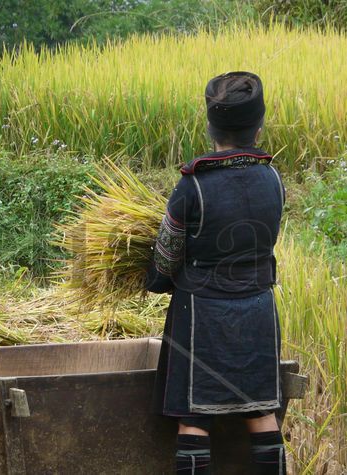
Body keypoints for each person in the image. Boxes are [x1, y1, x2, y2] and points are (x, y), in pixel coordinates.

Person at [146, 72, 287, 474]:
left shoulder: (192, 186)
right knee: (262, 411)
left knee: (194, 418)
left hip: (201, 313)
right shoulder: (274, 180)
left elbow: (167, 252)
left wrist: (158, 280)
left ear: (210, 127)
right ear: (258, 127)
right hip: (259, 307)